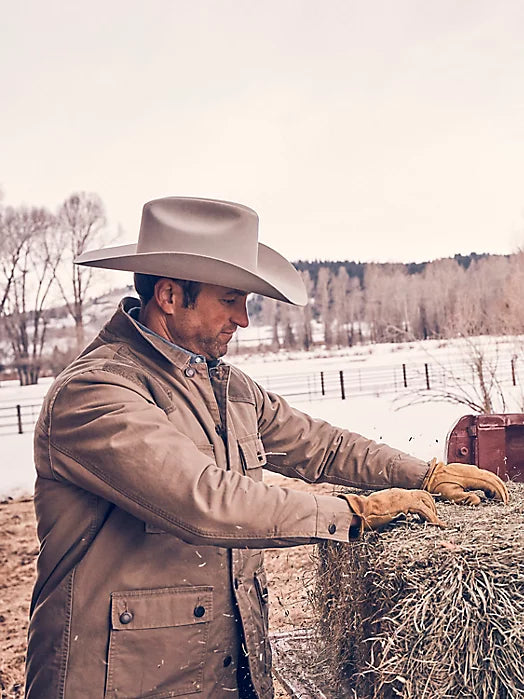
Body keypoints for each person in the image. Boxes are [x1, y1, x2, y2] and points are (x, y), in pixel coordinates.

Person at [25, 197, 508, 699]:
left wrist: (422, 475)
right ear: (169, 295)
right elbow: (205, 500)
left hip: (224, 670)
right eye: (231, 299)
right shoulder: (95, 393)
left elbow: (320, 446)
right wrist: (355, 513)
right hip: (120, 681)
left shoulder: (223, 385)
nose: (244, 319)